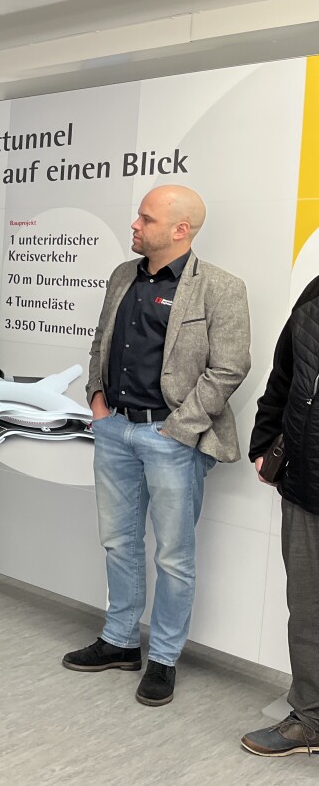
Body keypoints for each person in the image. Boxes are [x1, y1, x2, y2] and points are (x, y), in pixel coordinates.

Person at [64, 184, 251, 707]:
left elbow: (230, 367)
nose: (135, 225)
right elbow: (102, 341)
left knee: (173, 556)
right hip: (115, 430)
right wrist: (97, 400)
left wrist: (180, 428)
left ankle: (164, 658)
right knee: (119, 542)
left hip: (172, 437)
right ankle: (121, 641)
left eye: (145, 219)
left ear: (180, 230)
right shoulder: (123, 276)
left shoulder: (220, 287)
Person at [240, 275, 319, 755]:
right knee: (308, 612)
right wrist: (265, 444)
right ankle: (311, 719)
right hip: (307, 484)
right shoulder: (315, 294)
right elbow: (284, 379)